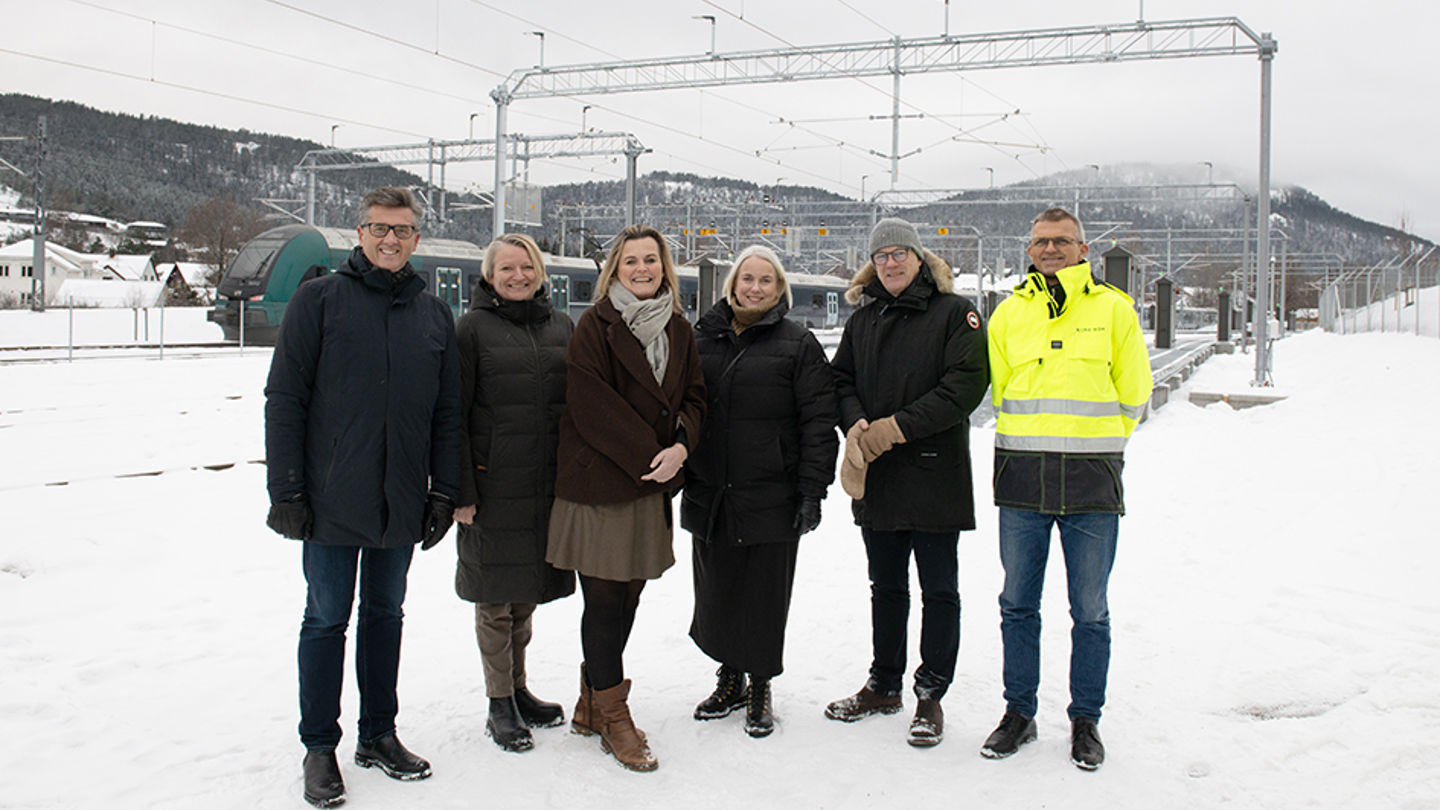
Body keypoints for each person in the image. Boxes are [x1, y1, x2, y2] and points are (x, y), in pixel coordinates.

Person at [264, 186, 460, 808]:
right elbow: (285, 399)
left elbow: (448, 415)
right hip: (329, 499)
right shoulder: (319, 300)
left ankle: (378, 733)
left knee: (385, 616)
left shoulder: (434, 315)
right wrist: (286, 490)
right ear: (360, 234)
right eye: (379, 228)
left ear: (416, 239)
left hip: (400, 500)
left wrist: (444, 491)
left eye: (401, 230)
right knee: (326, 618)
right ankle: (319, 746)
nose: (390, 239)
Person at [979, 207, 1153, 771]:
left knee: (1091, 610)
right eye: (1041, 242)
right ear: (1029, 250)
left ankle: (1085, 720)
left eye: (1061, 241)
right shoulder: (1009, 314)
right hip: (1022, 481)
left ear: (1083, 249)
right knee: (1017, 604)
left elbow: (1135, 392)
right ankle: (1019, 713)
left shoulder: (1113, 310)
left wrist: (1098, 444)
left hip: (1091, 483)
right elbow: (1000, 389)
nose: (1050, 249)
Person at [545, 224, 706, 771]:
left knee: (630, 595)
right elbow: (592, 405)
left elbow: (695, 396)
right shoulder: (595, 325)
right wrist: (655, 457)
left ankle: (593, 703)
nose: (642, 269)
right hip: (601, 483)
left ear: (664, 268)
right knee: (605, 600)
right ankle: (614, 716)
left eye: (651, 261)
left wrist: (682, 446)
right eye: (631, 261)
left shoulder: (678, 328)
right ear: (615, 269)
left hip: (651, 480)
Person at [825, 218, 989, 748]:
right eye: (882, 255)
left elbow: (964, 387)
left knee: (939, 590)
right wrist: (856, 422)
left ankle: (930, 694)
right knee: (887, 587)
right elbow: (840, 380)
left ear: (920, 259)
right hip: (880, 476)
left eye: (900, 253)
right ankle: (884, 684)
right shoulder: (864, 319)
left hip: (935, 473)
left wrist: (895, 428)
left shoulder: (954, 313)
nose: (891, 262)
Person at [681, 245, 838, 739]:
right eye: (746, 278)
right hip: (712, 490)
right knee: (718, 590)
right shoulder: (701, 339)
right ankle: (730, 677)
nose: (754, 287)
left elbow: (819, 422)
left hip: (773, 492)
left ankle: (760, 684)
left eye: (765, 280)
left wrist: (812, 491)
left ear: (779, 289)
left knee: (765, 595)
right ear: (732, 285)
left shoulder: (798, 344)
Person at [452, 233, 576, 754]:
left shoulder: (561, 327)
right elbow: (453, 414)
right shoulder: (471, 330)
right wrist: (460, 488)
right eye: (506, 268)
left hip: (544, 485)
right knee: (494, 601)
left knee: (525, 596)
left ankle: (519, 689)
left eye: (526, 267)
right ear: (489, 275)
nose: (518, 276)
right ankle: (498, 701)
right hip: (492, 485)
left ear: (540, 272)